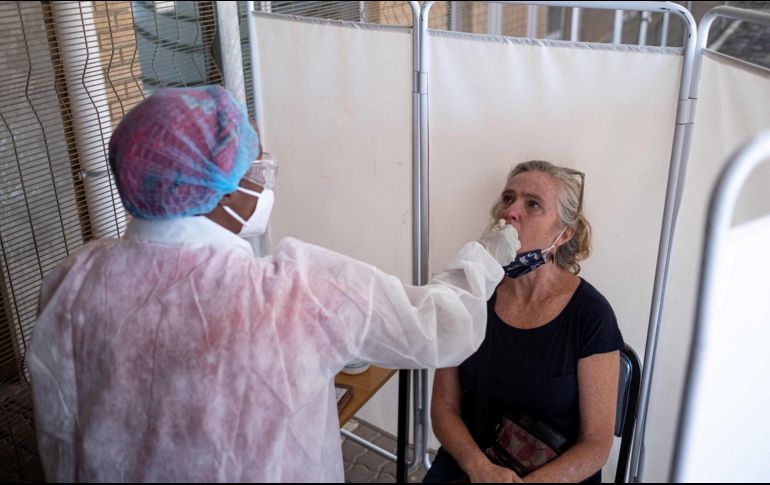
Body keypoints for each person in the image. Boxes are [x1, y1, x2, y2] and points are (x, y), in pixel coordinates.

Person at [26, 85, 522, 483]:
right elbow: (439, 329)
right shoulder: (298, 291)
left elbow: (61, 421)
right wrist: (487, 256)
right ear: (219, 189)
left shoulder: (75, 279)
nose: (264, 176)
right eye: (254, 162)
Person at [425, 161, 624, 483]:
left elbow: (596, 445)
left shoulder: (590, 315)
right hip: (472, 462)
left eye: (532, 204)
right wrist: (479, 468)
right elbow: (444, 408)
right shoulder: (472, 291)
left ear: (563, 235)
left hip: (555, 472)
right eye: (507, 199)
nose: (509, 212)